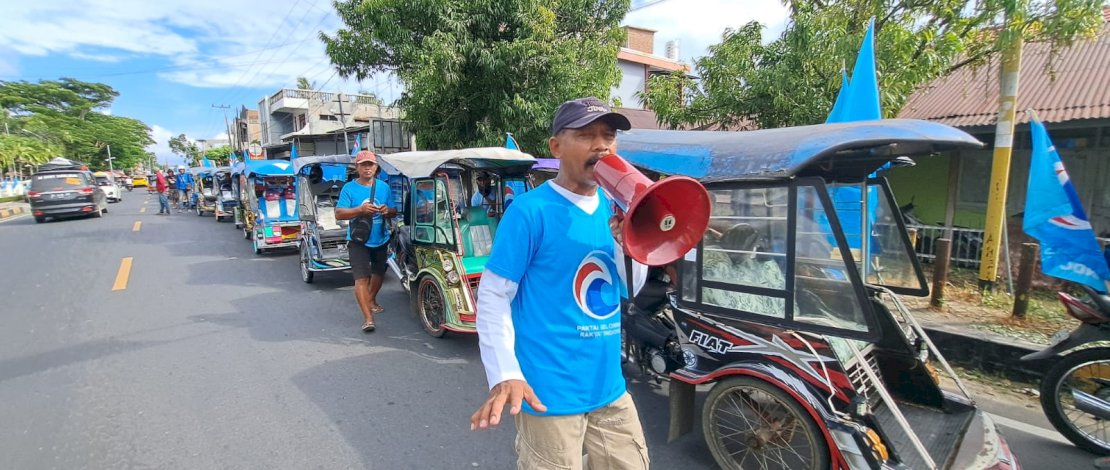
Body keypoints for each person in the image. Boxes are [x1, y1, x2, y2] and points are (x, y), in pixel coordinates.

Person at [470, 97, 649, 469]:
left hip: (608, 387)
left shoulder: (617, 207)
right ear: (556, 146)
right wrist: (505, 374)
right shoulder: (529, 211)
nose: (601, 145)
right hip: (547, 393)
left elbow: (629, 288)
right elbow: (493, 295)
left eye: (609, 136)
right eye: (586, 135)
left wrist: (627, 243)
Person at [335, 151, 397, 333]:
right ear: (357, 168)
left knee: (379, 272)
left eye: (370, 164)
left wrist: (387, 210)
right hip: (358, 240)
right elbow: (339, 213)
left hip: (381, 238)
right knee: (361, 278)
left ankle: (371, 299)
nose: (367, 168)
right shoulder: (349, 188)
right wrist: (360, 210)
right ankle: (368, 318)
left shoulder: (384, 187)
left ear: (376, 167)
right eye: (364, 165)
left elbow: (394, 210)